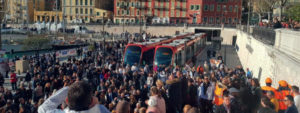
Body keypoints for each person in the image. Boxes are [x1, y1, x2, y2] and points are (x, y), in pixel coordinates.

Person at [38, 81, 110, 113]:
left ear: (66, 100)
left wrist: (69, 89)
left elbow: (42, 108)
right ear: (92, 102)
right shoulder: (100, 110)